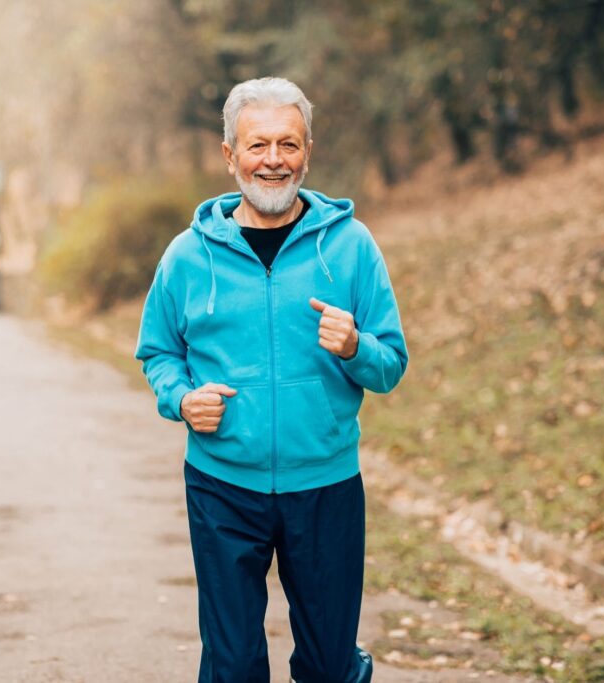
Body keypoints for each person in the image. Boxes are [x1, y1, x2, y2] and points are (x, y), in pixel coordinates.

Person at [135, 77, 408, 683]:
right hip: (222, 485)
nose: (274, 160)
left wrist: (356, 347)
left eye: (288, 143)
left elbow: (390, 364)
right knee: (231, 666)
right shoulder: (187, 255)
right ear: (230, 155)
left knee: (327, 666)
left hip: (327, 485)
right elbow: (157, 352)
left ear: (307, 150)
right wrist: (181, 399)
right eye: (258, 146)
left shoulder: (352, 246)